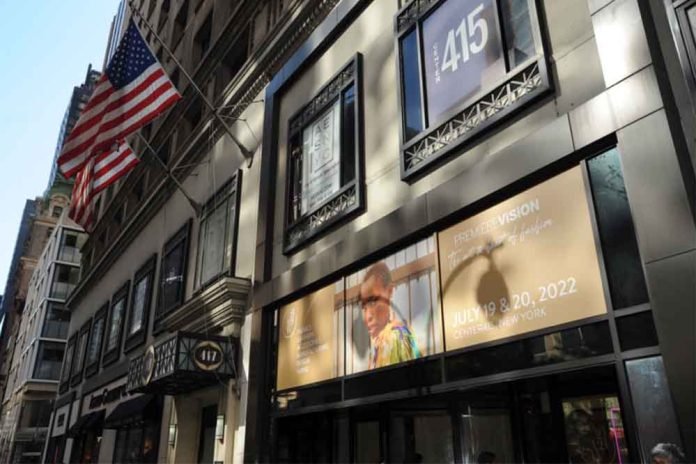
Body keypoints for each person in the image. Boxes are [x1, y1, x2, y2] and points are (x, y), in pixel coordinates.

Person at [360, 261, 421, 369]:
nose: (367, 317)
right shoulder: (378, 342)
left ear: (389, 291)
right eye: (364, 308)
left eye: (373, 302)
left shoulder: (395, 336)